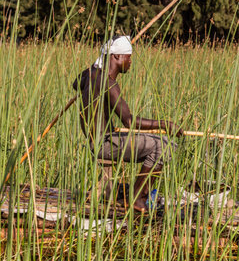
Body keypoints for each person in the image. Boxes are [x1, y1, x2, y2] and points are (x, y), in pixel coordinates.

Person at [72, 35, 182, 212]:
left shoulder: (91, 74)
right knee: (165, 145)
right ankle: (137, 198)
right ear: (116, 57)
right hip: (104, 144)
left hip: (101, 140)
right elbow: (129, 121)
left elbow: (76, 84)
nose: (130, 62)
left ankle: (138, 192)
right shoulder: (108, 83)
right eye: (128, 57)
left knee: (158, 143)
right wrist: (164, 124)